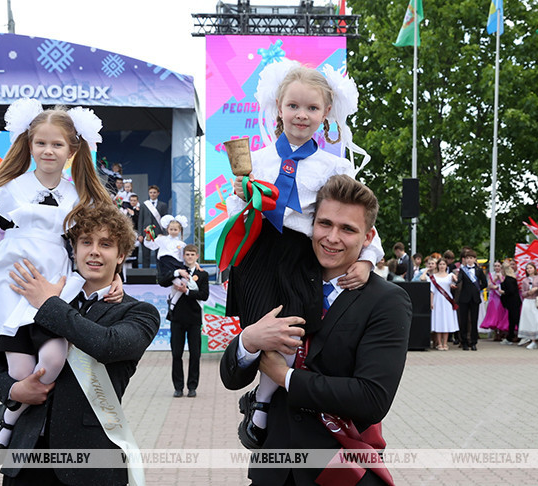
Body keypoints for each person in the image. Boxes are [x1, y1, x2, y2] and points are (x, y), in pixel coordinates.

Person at [0, 99, 119, 449]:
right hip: (13, 280)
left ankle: (9, 416)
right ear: (28, 145)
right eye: (41, 143)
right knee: (19, 373)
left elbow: (100, 245)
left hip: (55, 284)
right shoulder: (8, 189)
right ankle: (11, 416)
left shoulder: (83, 195)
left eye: (57, 143)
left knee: (52, 360)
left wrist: (114, 276)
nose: (49, 150)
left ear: (72, 148)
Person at [224, 63, 385, 448]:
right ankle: (260, 404)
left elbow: (360, 219)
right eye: (293, 106)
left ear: (326, 113)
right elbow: (234, 214)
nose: (301, 115)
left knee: (292, 333)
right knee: (265, 328)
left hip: (303, 259)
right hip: (259, 254)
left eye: (312, 108)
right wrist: (241, 204)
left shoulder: (336, 166)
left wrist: (368, 258)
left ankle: (261, 402)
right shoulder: (256, 159)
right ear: (278, 107)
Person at [220, 174, 410, 484]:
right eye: (324, 224)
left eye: (348, 229)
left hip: (342, 471)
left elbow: (372, 399)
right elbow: (231, 378)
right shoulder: (278, 279)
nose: (332, 237)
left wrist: (286, 377)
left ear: (368, 236)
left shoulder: (386, 301)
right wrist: (249, 341)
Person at [0, 203, 159, 485]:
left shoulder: (138, 312)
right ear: (73, 249)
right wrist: (13, 389)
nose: (94, 251)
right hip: (25, 460)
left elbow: (106, 345)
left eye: (106, 244)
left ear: (121, 254)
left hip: (92, 464)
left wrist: (48, 303)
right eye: (86, 242)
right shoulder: (41, 295)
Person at [163, 244, 209, 398]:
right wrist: (177, 272)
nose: (190, 257)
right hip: (177, 319)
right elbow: (162, 280)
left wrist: (187, 291)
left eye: (192, 254)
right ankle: (178, 387)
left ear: (197, 256)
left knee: (195, 354)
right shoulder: (177, 272)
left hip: (194, 319)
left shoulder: (203, 275)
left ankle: (192, 386)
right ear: (183, 256)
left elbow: (204, 295)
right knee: (177, 354)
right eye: (187, 254)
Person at [143, 214, 197, 312]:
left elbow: (184, 257)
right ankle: (172, 302)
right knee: (178, 283)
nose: (173, 231)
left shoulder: (181, 244)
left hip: (177, 264)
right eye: (171, 229)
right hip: (165, 263)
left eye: (175, 230)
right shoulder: (162, 239)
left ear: (179, 230)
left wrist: (194, 264)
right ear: (167, 229)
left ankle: (172, 299)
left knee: (185, 281)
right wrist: (147, 236)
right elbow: (150, 245)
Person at [454, 248, 488, 351]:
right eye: (467, 258)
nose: (469, 260)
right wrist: (454, 282)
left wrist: (478, 290)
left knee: (474, 320)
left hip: (475, 298)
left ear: (475, 259)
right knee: (463, 320)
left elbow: (484, 283)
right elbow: (459, 280)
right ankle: (464, 342)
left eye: (471, 258)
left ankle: (473, 342)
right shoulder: (462, 270)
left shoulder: (478, 270)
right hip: (464, 298)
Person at [518, 262, 538, 350]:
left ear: (534, 268)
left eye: (530, 268)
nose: (529, 270)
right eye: (527, 268)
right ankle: (533, 341)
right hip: (528, 301)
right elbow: (523, 293)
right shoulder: (525, 280)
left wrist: (537, 289)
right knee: (530, 321)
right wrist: (528, 292)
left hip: (537, 301)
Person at [430, 257, 459, 350]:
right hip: (437, 300)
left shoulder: (450, 276)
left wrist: (455, 280)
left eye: (443, 264)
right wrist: (431, 302)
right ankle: (439, 343)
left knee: (446, 321)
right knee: (438, 321)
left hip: (447, 301)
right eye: (440, 264)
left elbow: (456, 282)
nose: (442, 266)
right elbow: (432, 291)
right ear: (437, 265)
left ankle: (445, 343)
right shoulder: (433, 277)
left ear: (446, 266)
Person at [137, 185, 168, 269]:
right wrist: (140, 234)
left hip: (159, 234)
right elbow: (140, 220)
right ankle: (145, 275)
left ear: (158, 193)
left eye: (154, 192)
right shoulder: (144, 205)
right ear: (148, 193)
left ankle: (159, 276)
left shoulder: (163, 205)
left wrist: (164, 234)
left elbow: (165, 220)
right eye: (151, 192)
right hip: (146, 233)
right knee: (145, 255)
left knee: (159, 256)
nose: (152, 194)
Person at [480, 260, 509, 341]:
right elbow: (489, 285)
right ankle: (496, 333)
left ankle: (502, 332)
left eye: (498, 266)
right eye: (495, 266)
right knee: (494, 314)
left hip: (502, 296)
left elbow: (506, 284)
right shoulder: (491, 274)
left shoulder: (504, 274)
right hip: (494, 296)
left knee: (501, 313)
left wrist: (500, 278)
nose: (497, 268)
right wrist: (495, 281)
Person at [499, 263, 522, 344]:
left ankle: (521, 336)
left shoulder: (509, 279)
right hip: (512, 302)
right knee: (512, 320)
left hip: (513, 302)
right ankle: (510, 336)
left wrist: (503, 292)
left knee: (515, 319)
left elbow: (511, 291)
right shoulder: (510, 278)